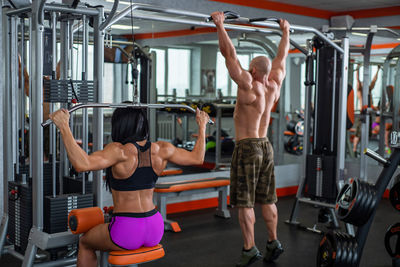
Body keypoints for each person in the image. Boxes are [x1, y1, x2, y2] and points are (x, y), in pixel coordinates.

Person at [49, 106, 209, 267]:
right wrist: (202, 126)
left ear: (119, 125)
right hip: (155, 227)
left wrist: (64, 126)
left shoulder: (119, 151)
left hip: (127, 229)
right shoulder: (162, 149)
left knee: (85, 242)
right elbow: (197, 158)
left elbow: (81, 164)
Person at [211, 11, 290, 266]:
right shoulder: (275, 84)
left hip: (247, 147)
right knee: (268, 198)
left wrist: (220, 25)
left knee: (245, 202)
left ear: (253, 70)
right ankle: (273, 241)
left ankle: (249, 248)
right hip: (265, 146)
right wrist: (286, 31)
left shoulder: (248, 83)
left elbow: (229, 55)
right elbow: (282, 56)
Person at [352, 64, 381, 156]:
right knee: (358, 135)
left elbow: (374, 81)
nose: (365, 84)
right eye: (363, 83)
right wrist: (357, 69)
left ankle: (359, 150)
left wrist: (378, 69)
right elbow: (357, 80)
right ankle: (354, 150)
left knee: (366, 135)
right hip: (362, 115)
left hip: (369, 115)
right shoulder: (360, 91)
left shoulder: (369, 90)